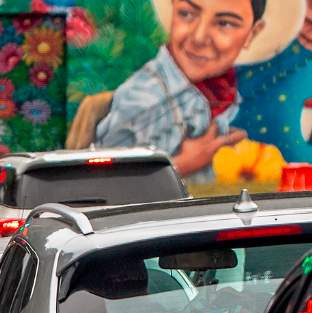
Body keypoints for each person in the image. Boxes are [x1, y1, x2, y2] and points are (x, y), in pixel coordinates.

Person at [92, 0, 268, 181]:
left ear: (252, 33)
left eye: (224, 23)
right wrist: (186, 164)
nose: (199, 37)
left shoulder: (222, 90)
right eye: (187, 14)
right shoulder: (144, 99)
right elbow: (107, 183)